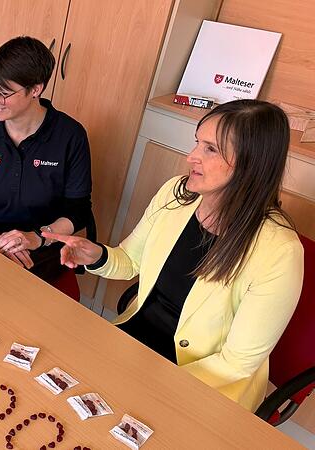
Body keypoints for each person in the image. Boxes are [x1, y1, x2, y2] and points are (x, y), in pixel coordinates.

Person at [46, 99, 304, 411]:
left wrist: (150, 383)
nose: (191, 156)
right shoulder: (176, 194)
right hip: (135, 341)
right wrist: (96, 256)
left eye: (210, 149)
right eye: (197, 142)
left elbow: (236, 364)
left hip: (203, 383)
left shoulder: (279, 252)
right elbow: (130, 262)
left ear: (251, 163)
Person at [0, 36, 92, 299]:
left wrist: (34, 238)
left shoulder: (70, 136)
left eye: (3, 93)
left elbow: (78, 210)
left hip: (42, 256)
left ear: (36, 89)